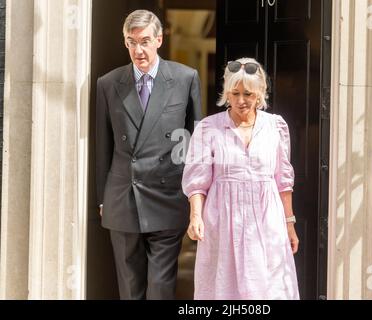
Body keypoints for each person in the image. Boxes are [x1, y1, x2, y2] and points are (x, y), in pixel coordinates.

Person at [96, 9, 202, 300]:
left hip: (168, 195)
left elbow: (195, 143)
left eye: (144, 41)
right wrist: (103, 198)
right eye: (131, 42)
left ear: (159, 39)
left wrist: (195, 197)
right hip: (122, 197)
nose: (138, 50)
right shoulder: (107, 83)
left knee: (160, 286)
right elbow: (103, 145)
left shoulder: (185, 78)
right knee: (130, 286)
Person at [182, 57, 300, 299]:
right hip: (223, 221)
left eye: (248, 93)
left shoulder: (275, 126)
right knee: (223, 288)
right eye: (234, 93)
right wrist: (195, 216)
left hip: (267, 221)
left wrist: (290, 224)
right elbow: (197, 180)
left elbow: (283, 180)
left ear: (260, 93)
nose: (241, 100)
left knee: (268, 287)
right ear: (226, 93)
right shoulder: (208, 128)